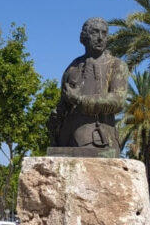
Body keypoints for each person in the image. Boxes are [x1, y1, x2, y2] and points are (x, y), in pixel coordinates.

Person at [48, 17, 129, 156]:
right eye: (95, 32)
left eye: (104, 33)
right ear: (84, 37)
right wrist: (55, 117)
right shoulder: (72, 68)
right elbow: (64, 103)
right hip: (67, 139)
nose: (100, 38)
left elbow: (118, 100)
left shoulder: (116, 65)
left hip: (99, 139)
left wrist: (80, 100)